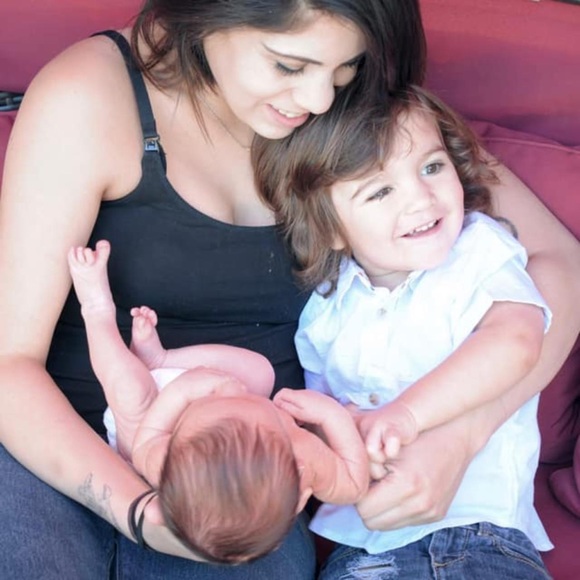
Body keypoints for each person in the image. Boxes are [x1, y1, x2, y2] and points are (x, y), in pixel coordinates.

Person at [0, 0, 578, 578]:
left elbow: (561, 265)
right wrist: (138, 510)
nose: (320, 100)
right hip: (51, 449)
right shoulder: (92, 96)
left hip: (246, 479)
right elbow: (9, 362)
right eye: (287, 65)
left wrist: (461, 435)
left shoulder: (353, 105)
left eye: (344, 66)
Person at [253, 85, 555, 578]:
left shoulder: (477, 251)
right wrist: (341, 435)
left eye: (432, 167)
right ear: (329, 229)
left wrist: (406, 416)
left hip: (475, 538)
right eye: (380, 191)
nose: (421, 197)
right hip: (360, 554)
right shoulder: (326, 309)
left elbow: (517, 341)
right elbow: (323, 423)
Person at [67, 239, 368, 564]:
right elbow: (354, 482)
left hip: (150, 423)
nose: (231, 391)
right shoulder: (306, 463)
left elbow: (146, 441)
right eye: (241, 402)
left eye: (228, 400)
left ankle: (96, 311)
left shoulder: (165, 464)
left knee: (130, 391)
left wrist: (192, 387)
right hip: (186, 389)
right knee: (261, 371)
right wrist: (329, 413)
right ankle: (161, 359)